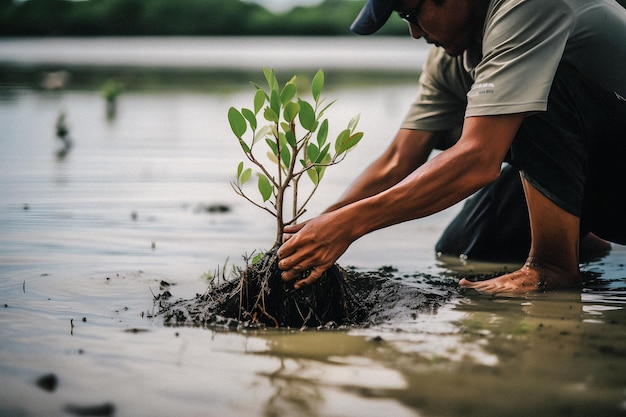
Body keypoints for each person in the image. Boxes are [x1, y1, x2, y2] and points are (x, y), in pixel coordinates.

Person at [277, 0, 626, 295]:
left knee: (537, 90)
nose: (414, 33)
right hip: (593, 170)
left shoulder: (525, 6)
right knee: (464, 249)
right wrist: (323, 224)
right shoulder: (451, 56)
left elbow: (478, 159)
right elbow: (400, 158)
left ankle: (552, 266)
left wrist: (350, 225)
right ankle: (582, 237)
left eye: (412, 15)